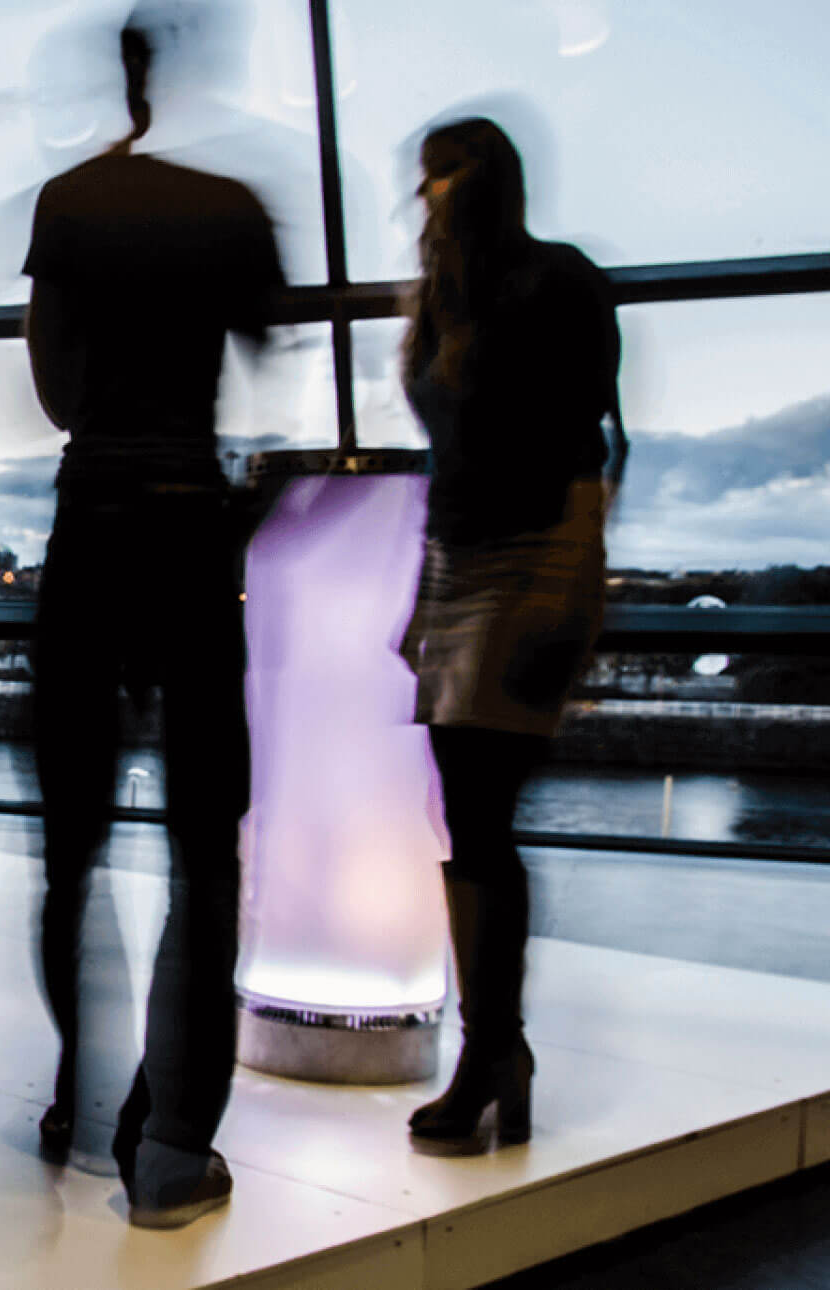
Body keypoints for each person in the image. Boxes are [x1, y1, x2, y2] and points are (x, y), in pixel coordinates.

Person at [21, 5, 283, 1229]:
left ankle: (76, 1093)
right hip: (189, 523)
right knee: (201, 844)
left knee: (71, 842)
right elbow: (264, 348)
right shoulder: (233, 204)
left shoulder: (64, 204)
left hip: (93, 517)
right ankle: (173, 1144)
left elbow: (56, 387)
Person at [396, 116, 621, 1155]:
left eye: (449, 174)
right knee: (467, 817)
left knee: (482, 813)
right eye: (428, 176)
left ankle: (493, 1050)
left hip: (534, 557)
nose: (432, 194)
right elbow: (451, 465)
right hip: (456, 565)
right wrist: (422, 598)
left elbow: (588, 445)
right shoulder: (441, 305)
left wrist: (567, 598)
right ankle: (495, 1052)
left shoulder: (553, 285)